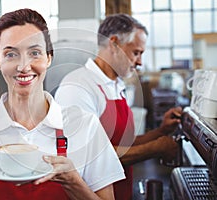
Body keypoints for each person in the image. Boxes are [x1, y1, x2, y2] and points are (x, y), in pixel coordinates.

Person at [0, 9, 126, 200]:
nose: (24, 66)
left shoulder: (85, 126)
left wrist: (74, 183)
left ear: (49, 58)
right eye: (11, 54)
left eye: (34, 52)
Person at [55, 13, 182, 200]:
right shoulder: (79, 87)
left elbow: (122, 144)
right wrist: (155, 148)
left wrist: (161, 131)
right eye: (136, 52)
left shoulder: (116, 85)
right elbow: (91, 158)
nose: (139, 62)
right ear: (114, 44)